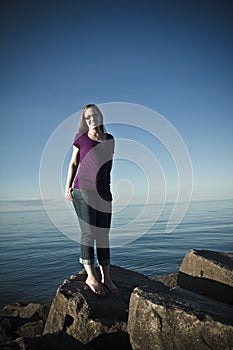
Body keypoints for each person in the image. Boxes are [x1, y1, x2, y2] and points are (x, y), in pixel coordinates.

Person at [65, 104, 117, 295]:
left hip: (104, 191)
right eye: (88, 117)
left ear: (100, 117)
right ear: (85, 121)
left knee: (103, 236)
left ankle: (106, 278)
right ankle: (91, 277)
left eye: (94, 115)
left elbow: (107, 166)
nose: (92, 119)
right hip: (82, 189)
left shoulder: (110, 139)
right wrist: (67, 187)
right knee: (89, 233)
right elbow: (73, 163)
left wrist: (106, 189)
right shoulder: (80, 138)